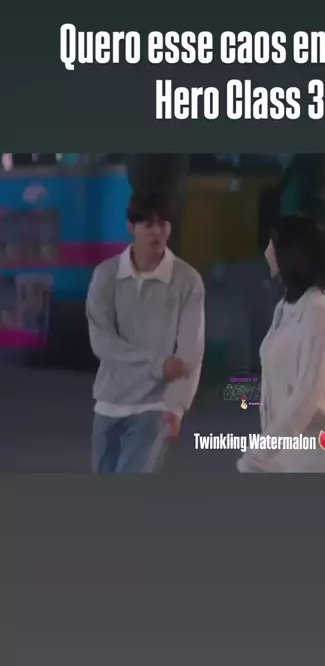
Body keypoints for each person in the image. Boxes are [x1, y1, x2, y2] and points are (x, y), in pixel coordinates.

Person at [86, 189, 205, 473]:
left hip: (155, 406)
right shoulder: (106, 275)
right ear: (131, 227)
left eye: (163, 223)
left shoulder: (187, 281)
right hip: (108, 403)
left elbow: (190, 351)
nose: (157, 231)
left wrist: (177, 407)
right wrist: (157, 364)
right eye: (147, 224)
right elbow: (102, 342)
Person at [237, 215, 325, 473]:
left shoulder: (321, 309)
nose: (267, 252)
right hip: (282, 452)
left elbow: (307, 394)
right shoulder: (284, 307)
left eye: (273, 245)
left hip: (315, 454)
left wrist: (261, 451)